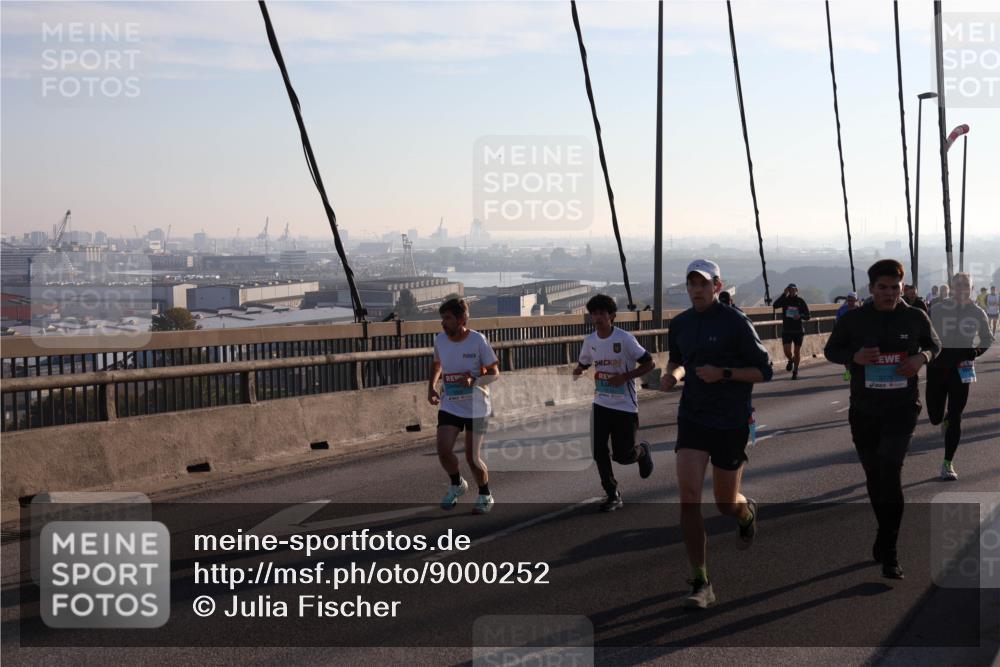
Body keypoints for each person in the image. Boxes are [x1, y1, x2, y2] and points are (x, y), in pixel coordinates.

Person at [659, 259, 773, 609]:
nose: (696, 290)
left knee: (725, 503)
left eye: (703, 284)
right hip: (693, 417)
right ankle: (701, 581)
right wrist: (672, 375)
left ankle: (745, 513)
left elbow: (765, 371)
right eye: (691, 284)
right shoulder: (680, 323)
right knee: (689, 497)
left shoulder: (736, 322)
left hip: (730, 421)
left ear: (717, 287)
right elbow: (678, 360)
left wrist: (723, 373)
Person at [824, 259, 941, 579]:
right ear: (872, 288)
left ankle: (890, 551)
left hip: (902, 408)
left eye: (895, 288)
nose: (890, 294)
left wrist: (921, 358)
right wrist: (854, 357)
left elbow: (935, 344)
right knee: (875, 478)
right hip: (864, 410)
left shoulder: (915, 316)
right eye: (883, 288)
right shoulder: (854, 319)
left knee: (890, 473)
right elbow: (831, 350)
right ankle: (883, 531)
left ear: (902, 288)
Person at [574, 294, 656, 512]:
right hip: (601, 404)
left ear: (611, 316)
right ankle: (612, 494)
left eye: (602, 313)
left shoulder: (625, 339)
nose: (597, 318)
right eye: (594, 314)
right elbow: (584, 361)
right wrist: (579, 369)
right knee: (599, 451)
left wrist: (625, 377)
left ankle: (642, 452)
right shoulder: (590, 341)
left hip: (625, 406)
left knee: (623, 456)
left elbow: (649, 363)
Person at [428, 298, 500, 514]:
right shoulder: (440, 339)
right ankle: (457, 483)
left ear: (461, 320)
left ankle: (485, 494)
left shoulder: (478, 340)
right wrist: (431, 387)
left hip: (477, 407)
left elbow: (494, 373)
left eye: (448, 318)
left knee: (472, 457)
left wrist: (474, 380)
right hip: (450, 404)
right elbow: (437, 364)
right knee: (443, 450)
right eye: (442, 318)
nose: (443, 323)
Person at [926, 273, 993, 481]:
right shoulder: (937, 309)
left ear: (971, 289)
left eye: (966, 285)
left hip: (961, 370)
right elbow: (923, 335)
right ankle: (943, 419)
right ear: (952, 287)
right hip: (937, 369)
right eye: (958, 285)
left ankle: (948, 463)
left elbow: (987, 338)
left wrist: (977, 351)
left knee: (956, 416)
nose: (961, 288)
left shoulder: (978, 312)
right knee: (935, 417)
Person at [773, 283, 811, 380]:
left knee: (796, 352)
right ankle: (790, 360)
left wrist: (800, 316)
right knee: (787, 351)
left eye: (793, 289)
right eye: (789, 289)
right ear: (787, 290)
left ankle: (795, 371)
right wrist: (783, 294)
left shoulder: (800, 301)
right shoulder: (785, 300)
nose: (791, 291)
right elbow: (775, 305)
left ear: (796, 290)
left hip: (798, 331)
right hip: (787, 330)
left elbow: (808, 316)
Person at [836, 292, 860, 381]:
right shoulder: (842, 310)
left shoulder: (860, 311)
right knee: (845, 356)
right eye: (849, 300)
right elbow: (837, 322)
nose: (850, 302)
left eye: (852, 300)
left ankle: (856, 372)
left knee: (856, 356)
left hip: (856, 337)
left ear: (856, 300)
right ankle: (847, 371)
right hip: (845, 336)